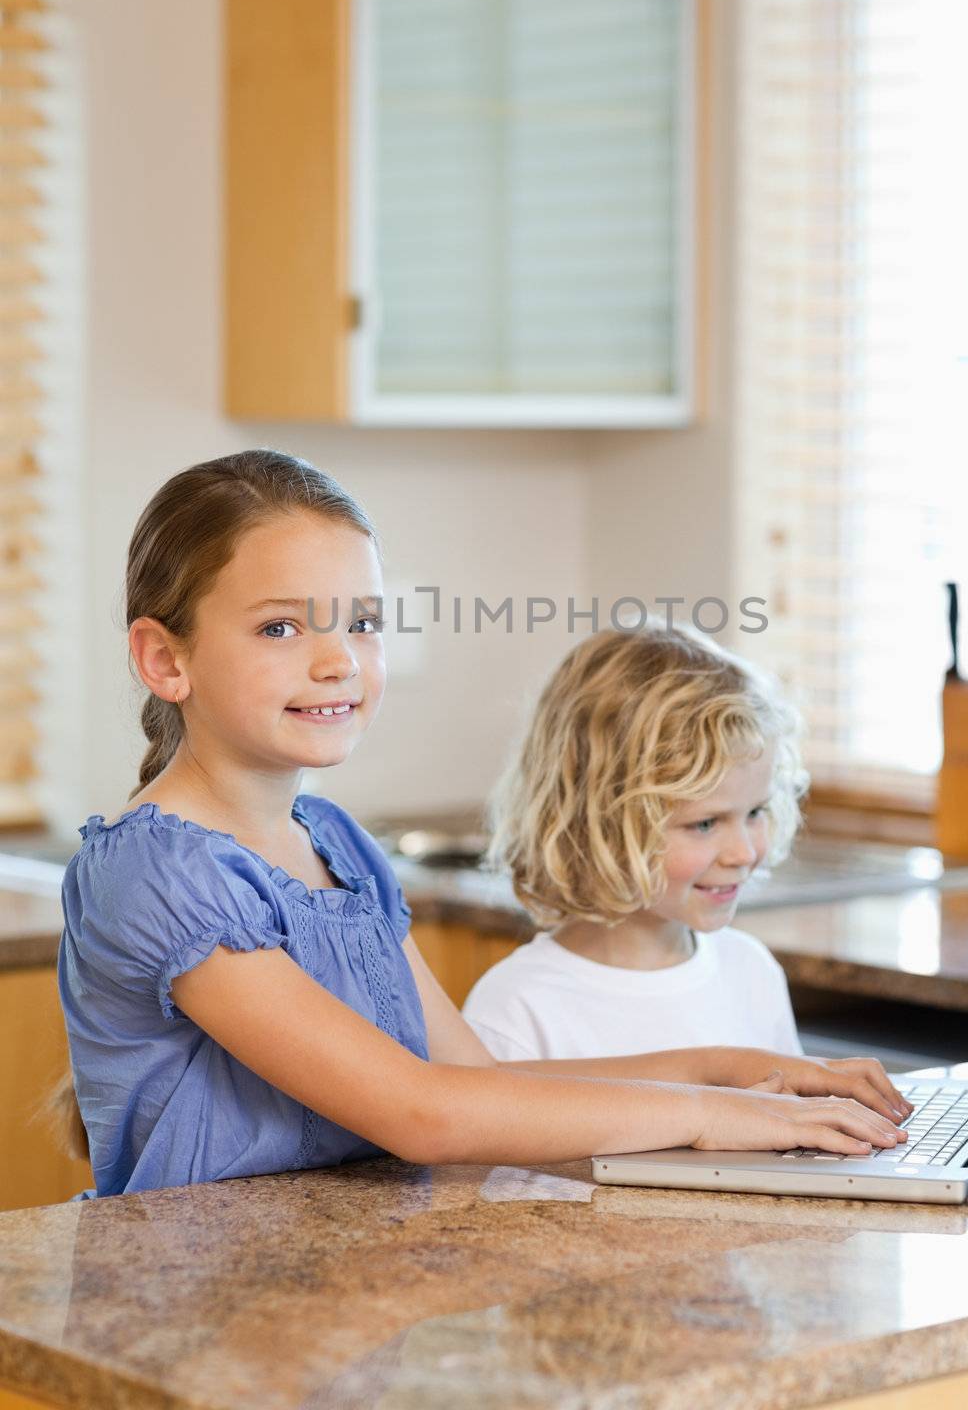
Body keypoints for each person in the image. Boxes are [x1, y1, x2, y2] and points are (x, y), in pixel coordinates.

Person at [55, 449, 909, 1197]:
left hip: (348, 1297)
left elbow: (473, 1078)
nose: (337, 660)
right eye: (280, 626)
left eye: (362, 621)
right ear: (164, 658)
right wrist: (704, 1114)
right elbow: (422, 1113)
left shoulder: (335, 845)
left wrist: (732, 1073)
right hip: (205, 1316)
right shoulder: (156, 872)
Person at [463, 625, 893, 1114]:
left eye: (755, 813)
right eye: (705, 823)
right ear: (599, 823)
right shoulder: (517, 1011)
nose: (743, 852)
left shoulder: (751, 971)